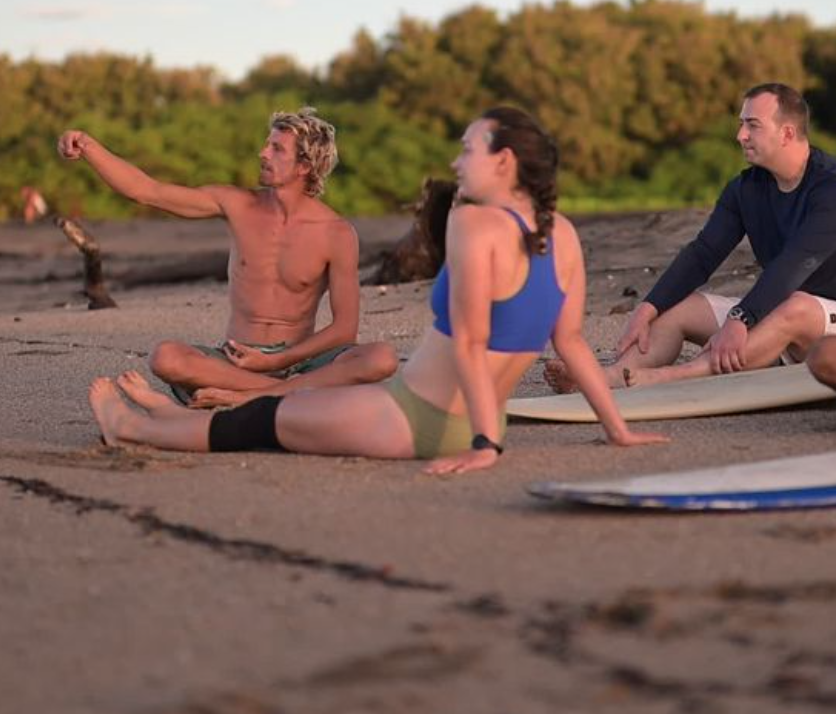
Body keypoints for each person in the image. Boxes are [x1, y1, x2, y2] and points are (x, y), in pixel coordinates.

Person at [86, 107, 667, 474]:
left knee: (260, 426)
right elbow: (572, 342)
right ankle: (168, 409)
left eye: (468, 149)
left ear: (505, 161)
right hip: (456, 419)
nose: (455, 160)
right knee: (290, 407)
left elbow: (469, 342)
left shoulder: (469, 222)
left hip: (412, 418)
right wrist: (616, 429)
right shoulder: (561, 234)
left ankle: (132, 427)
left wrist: (488, 447)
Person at [57, 107, 398, 405]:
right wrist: (87, 145)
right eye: (267, 144)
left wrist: (277, 361)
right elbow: (147, 191)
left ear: (305, 166)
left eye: (277, 149)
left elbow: (344, 330)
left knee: (381, 357)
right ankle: (289, 394)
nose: (263, 153)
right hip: (235, 361)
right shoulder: (236, 204)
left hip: (301, 359)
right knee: (167, 357)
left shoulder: (337, 233)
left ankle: (253, 396)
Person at [545, 83, 836, 393]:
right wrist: (648, 308)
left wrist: (740, 318)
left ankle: (668, 379)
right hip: (777, 313)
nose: (741, 135)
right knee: (678, 308)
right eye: (741, 124)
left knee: (798, 305)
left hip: (824, 326)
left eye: (753, 125)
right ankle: (614, 376)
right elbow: (703, 253)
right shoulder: (745, 189)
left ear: (787, 134)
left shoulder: (829, 187)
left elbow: (796, 262)